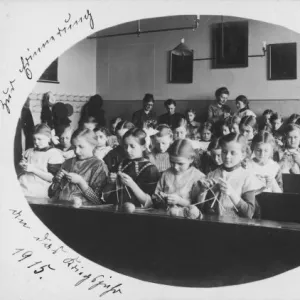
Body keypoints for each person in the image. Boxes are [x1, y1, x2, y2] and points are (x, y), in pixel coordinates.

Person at [198, 133, 263, 218]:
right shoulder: (212, 174)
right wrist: (203, 191)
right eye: (224, 152)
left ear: (242, 155)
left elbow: (249, 213)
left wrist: (231, 193)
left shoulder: (247, 177)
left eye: (233, 153)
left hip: (237, 225)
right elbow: (202, 210)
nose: (227, 156)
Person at [49, 128, 108, 205]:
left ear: (93, 145)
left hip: (84, 211)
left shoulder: (98, 166)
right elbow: (51, 194)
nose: (77, 151)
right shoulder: (67, 162)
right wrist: (57, 180)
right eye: (74, 147)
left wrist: (81, 182)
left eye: (81, 147)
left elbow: (98, 201)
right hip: (62, 207)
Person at [103, 128, 160, 207]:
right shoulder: (120, 165)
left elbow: (151, 203)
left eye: (132, 146)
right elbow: (105, 197)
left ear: (143, 147)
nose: (128, 150)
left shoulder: (150, 169)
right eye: (125, 146)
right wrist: (110, 183)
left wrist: (132, 184)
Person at [149, 139, 205, 209]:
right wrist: (160, 198)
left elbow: (199, 205)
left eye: (180, 163)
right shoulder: (167, 173)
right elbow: (156, 195)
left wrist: (180, 201)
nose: (175, 167)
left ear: (191, 159)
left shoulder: (198, 177)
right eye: (172, 162)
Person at [18, 124, 64, 198]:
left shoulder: (53, 154)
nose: (36, 142)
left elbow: (53, 178)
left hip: (41, 188)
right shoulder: (29, 152)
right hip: (25, 183)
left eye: (39, 139)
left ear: (49, 138)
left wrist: (33, 170)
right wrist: (22, 164)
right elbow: (23, 169)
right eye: (34, 139)